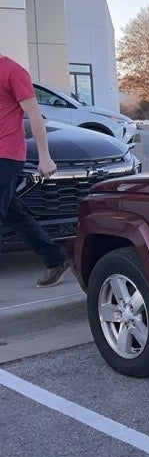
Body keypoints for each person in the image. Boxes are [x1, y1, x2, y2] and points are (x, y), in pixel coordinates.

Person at [0, 53, 71, 287]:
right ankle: (56, 258)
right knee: (14, 215)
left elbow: (34, 115)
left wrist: (45, 157)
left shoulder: (12, 71)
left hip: (6, 154)